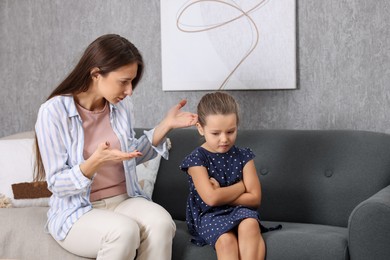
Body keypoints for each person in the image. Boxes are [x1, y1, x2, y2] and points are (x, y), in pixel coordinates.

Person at [34, 34, 198, 260]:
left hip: (123, 200)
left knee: (161, 223)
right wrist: (94, 162)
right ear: (95, 74)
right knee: (123, 232)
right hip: (79, 210)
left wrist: (166, 125)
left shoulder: (121, 106)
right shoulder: (53, 112)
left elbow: (130, 154)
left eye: (132, 82)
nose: (130, 90)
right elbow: (56, 183)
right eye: (124, 81)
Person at [180, 92, 266, 260]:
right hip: (209, 214)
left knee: (250, 224)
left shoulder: (244, 156)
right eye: (216, 133)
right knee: (226, 241)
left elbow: (255, 199)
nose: (224, 139)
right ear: (200, 128)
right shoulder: (196, 160)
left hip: (240, 211)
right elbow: (211, 199)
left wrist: (222, 194)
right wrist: (241, 187)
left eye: (231, 131)